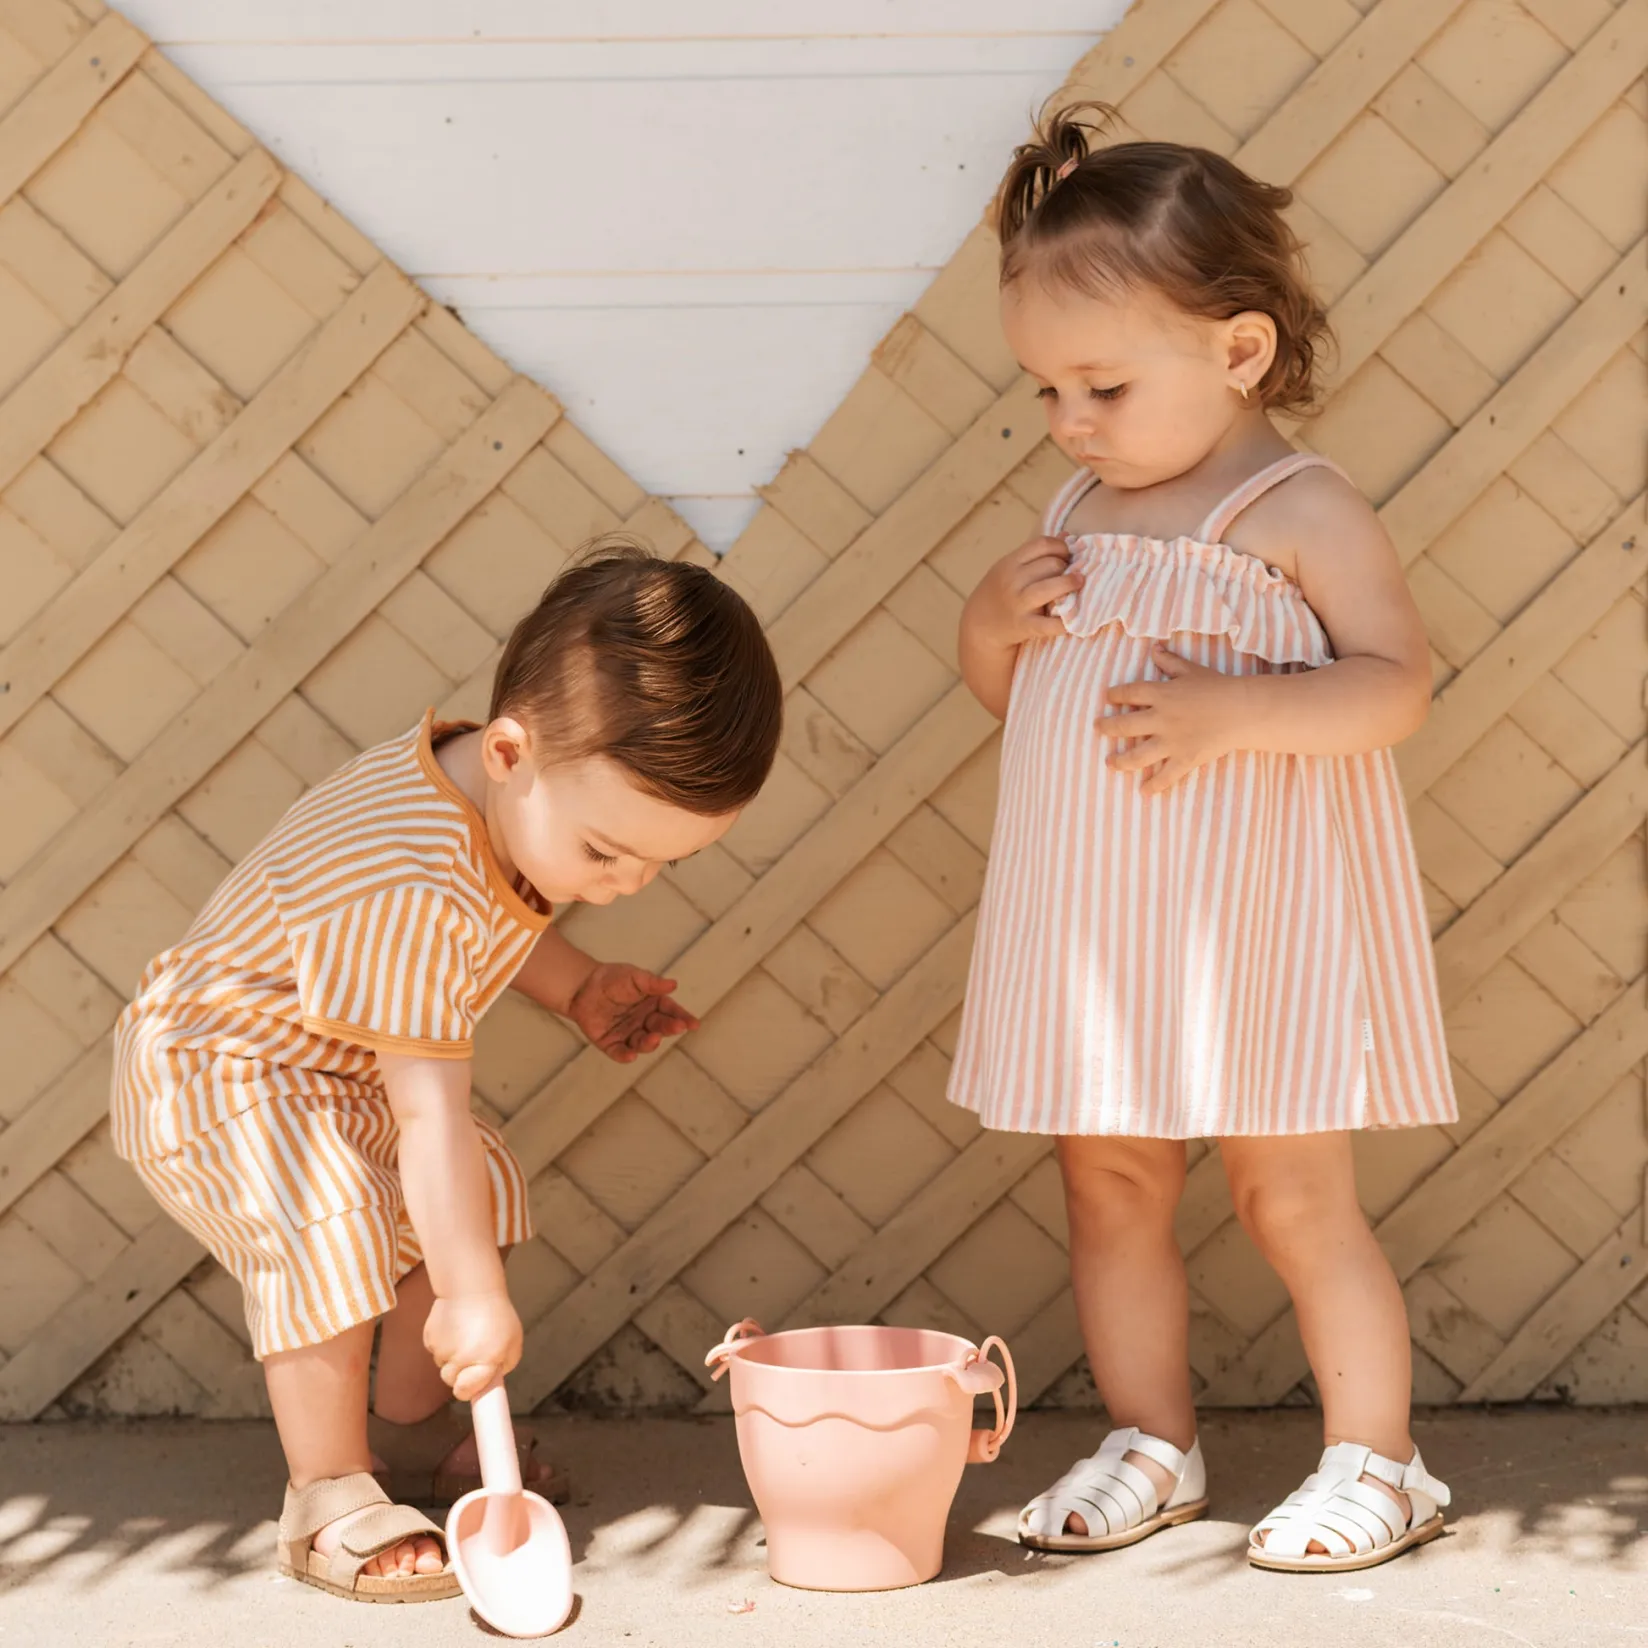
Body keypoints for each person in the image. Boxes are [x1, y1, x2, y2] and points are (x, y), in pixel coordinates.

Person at [949, 104, 1457, 1573]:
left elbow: (1395, 686)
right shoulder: (1074, 508)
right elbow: (1021, 702)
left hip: (1257, 929)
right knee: (1109, 1183)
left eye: (1102, 384)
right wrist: (987, 626)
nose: (1068, 420)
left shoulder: (1295, 509)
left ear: (1238, 351)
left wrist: (1237, 710)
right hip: (1103, 935)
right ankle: (1150, 1439)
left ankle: (1381, 1459)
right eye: (1046, 389)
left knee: (1289, 1194)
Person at [112, 542, 782, 1602]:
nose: (627, 884)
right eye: (605, 853)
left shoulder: (481, 781)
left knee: (484, 1181)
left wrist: (575, 985)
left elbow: (490, 912)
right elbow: (427, 1109)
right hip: (216, 1067)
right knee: (332, 1217)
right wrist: (471, 1295)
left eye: (666, 862)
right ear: (512, 752)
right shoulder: (406, 877)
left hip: (327, 1069)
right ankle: (327, 1493)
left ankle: (417, 1434)